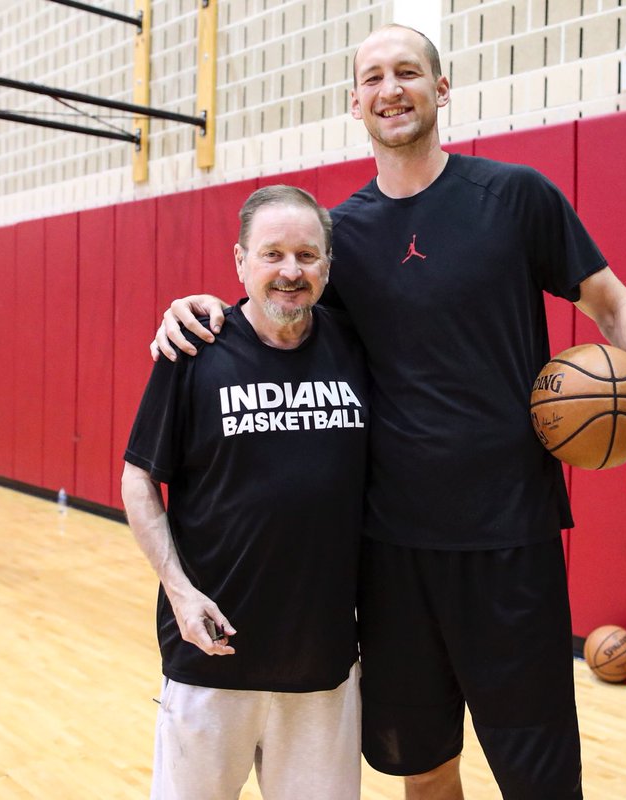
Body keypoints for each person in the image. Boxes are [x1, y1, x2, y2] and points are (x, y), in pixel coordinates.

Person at [150, 25, 626, 800]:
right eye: (373, 77)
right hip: (390, 554)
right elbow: (276, 310)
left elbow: (610, 302)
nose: (391, 88)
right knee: (424, 769)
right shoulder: (341, 240)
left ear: (441, 89)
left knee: (542, 782)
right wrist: (199, 305)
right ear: (355, 103)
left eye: (408, 72)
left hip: (512, 541)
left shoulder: (515, 196)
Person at [121, 185, 369, 800]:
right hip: (213, 656)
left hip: (323, 665)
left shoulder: (359, 347)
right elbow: (138, 477)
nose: (290, 271)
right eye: (272, 254)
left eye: (308, 256)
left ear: (328, 266)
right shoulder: (195, 348)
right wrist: (179, 595)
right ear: (239, 262)